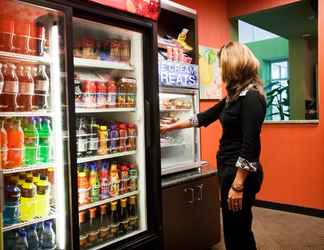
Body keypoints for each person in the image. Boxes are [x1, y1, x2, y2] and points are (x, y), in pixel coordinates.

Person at [160, 41, 266, 250]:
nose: (221, 69)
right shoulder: (235, 96)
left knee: (238, 232)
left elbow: (251, 146)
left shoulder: (252, 97)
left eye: (223, 65)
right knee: (235, 229)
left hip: (239, 174)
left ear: (235, 65)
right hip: (228, 169)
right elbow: (204, 117)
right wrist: (170, 127)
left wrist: (237, 185)